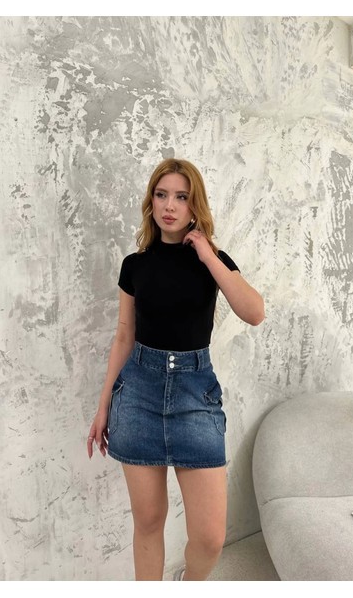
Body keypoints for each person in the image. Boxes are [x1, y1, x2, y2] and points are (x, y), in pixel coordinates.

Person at [87, 158, 265, 581]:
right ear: (151, 201)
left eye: (181, 197)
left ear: (193, 205)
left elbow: (254, 312)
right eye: (161, 194)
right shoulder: (135, 265)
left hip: (195, 395)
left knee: (210, 538)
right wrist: (103, 405)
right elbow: (124, 336)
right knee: (148, 522)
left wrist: (207, 254)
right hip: (138, 395)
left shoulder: (212, 260)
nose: (170, 205)